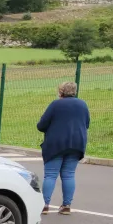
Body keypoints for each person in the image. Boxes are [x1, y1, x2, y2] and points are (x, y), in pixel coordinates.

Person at [37, 82, 89, 215]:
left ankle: (44, 205)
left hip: (56, 144)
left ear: (61, 92)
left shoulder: (56, 104)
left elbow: (41, 125)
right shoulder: (83, 104)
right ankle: (66, 205)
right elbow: (87, 123)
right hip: (77, 144)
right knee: (69, 175)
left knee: (50, 175)